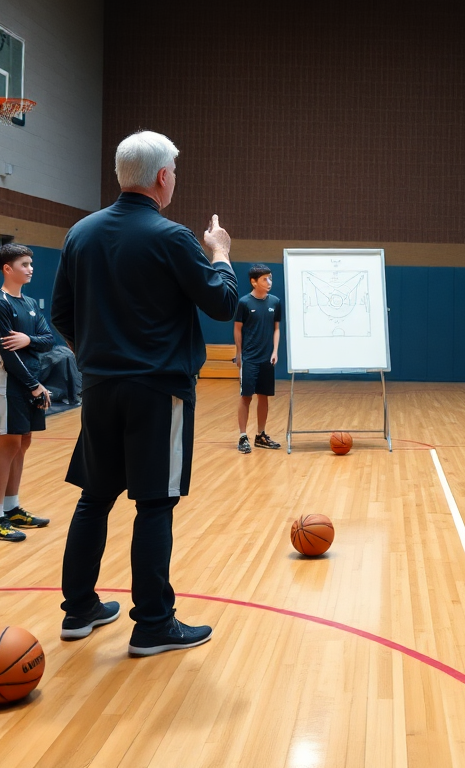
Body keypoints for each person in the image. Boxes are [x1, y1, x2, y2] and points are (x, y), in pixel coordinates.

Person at [53, 131, 238, 655]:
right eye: (174, 172)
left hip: (100, 388)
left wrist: (100, 356)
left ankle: (78, 608)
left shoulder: (80, 234)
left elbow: (62, 314)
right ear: (162, 177)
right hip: (159, 392)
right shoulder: (173, 237)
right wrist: (220, 254)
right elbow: (224, 304)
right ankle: (154, 622)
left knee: (96, 497)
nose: (175, 179)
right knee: (155, 504)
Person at [0, 242, 55, 542]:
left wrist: (28, 339)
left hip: (30, 383)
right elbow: (7, 355)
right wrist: (34, 385)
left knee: (23, 443)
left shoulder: (28, 303)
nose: (31, 269)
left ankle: (13, 508)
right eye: (24, 264)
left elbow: (49, 339)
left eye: (31, 264)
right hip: (10, 383)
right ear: (7, 268)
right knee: (9, 445)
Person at [233, 264, 283, 453]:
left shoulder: (275, 302)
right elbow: (237, 329)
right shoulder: (244, 303)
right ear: (253, 282)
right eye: (265, 279)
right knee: (246, 396)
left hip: (266, 359)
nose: (269, 282)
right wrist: (239, 354)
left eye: (270, 278)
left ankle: (261, 435)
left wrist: (275, 351)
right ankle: (242, 436)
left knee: (264, 397)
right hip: (250, 359)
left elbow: (276, 329)